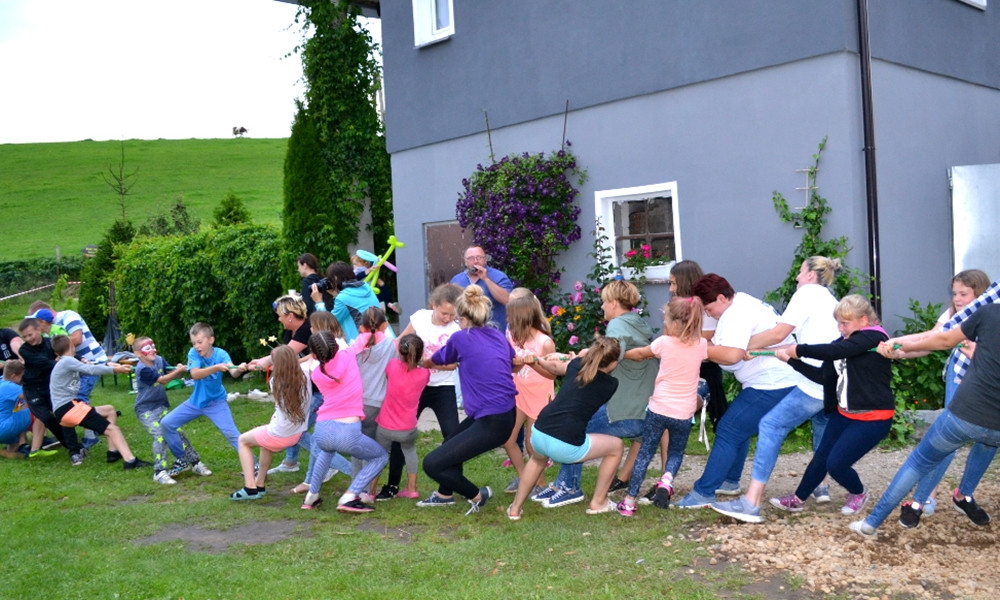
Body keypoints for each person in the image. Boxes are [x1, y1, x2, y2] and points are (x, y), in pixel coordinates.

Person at [850, 299, 1000, 537]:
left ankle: (872, 523)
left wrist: (902, 346)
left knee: (919, 462)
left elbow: (943, 339)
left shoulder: (990, 312)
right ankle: (955, 498)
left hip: (965, 415)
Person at [709, 256, 841, 522]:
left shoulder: (806, 294)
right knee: (822, 430)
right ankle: (820, 485)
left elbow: (778, 333)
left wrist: (740, 347)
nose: (797, 278)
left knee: (770, 425)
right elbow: (793, 340)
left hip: (814, 381)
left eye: (801, 273)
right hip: (833, 380)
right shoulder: (829, 298)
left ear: (811, 275)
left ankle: (751, 502)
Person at [674, 274, 804, 509]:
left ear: (722, 297)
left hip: (773, 381)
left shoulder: (736, 313)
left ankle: (704, 492)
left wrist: (698, 348)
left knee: (729, 429)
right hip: (775, 378)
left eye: (709, 308)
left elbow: (732, 356)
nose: (709, 314)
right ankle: (729, 480)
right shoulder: (743, 303)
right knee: (738, 428)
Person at [761, 295, 892, 518]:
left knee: (836, 464)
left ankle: (858, 492)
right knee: (821, 457)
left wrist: (799, 349)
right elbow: (824, 377)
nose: (840, 328)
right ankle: (798, 499)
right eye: (838, 322)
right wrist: (792, 361)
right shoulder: (842, 344)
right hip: (845, 414)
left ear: (863, 320)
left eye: (845, 323)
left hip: (874, 417)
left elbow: (835, 352)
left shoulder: (874, 337)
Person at [886, 269, 991, 527]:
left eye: (963, 293)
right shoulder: (954, 315)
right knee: (946, 442)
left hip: (989, 389)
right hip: (959, 383)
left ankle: (964, 494)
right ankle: (920, 501)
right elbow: (930, 340)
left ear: (980, 293)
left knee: (989, 442)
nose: (957, 298)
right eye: (954, 293)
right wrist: (900, 350)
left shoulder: (991, 314)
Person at [540, 280, 657, 508]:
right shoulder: (637, 323)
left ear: (613, 303)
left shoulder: (617, 325)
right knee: (574, 427)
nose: (602, 307)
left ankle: (569, 487)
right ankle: (561, 484)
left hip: (624, 412)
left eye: (604, 302)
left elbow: (609, 357)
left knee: (573, 427)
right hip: (643, 411)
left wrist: (576, 358)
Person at [416, 285, 517, 515]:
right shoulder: (498, 335)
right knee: (450, 441)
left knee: (432, 464)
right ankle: (444, 494)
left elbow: (440, 358)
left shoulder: (461, 338)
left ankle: (477, 495)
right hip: (502, 413)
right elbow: (509, 360)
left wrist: (425, 362)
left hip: (493, 421)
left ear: (463, 318)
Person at [506, 337, 625, 519]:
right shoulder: (611, 385)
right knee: (616, 447)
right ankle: (598, 502)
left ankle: (515, 509)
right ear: (614, 363)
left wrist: (542, 360)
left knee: (537, 461)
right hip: (565, 444)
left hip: (539, 431)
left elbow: (556, 368)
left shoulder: (576, 364)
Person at [617, 296, 708, 515]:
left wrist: (621, 354)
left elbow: (640, 354)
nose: (664, 323)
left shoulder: (663, 343)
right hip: (684, 412)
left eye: (666, 319)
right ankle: (666, 481)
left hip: (659, 408)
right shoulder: (702, 344)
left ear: (674, 322)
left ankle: (629, 501)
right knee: (675, 452)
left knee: (645, 453)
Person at [376, 283, 463, 500]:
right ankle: (392, 485)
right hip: (415, 387)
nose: (447, 318)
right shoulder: (420, 318)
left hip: (443, 387)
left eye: (452, 315)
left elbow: (454, 364)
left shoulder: (457, 329)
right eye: (444, 313)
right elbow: (399, 343)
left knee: (453, 435)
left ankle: (447, 487)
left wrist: (425, 364)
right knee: (399, 433)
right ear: (433, 305)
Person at [303, 331, 388, 513]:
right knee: (380, 457)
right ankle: (350, 495)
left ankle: (311, 496)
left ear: (315, 354)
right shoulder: (348, 355)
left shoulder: (316, 373)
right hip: (348, 430)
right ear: (335, 346)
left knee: (326, 451)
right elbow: (367, 337)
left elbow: (321, 364)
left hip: (323, 429)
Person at [48, 335, 151, 469]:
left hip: (65, 410)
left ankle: (112, 452)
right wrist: (115, 370)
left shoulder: (66, 362)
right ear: (71, 345)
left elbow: (90, 366)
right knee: (112, 429)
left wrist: (109, 364)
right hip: (69, 408)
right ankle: (130, 461)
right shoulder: (67, 361)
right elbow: (91, 370)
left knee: (109, 410)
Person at [160, 323, 249, 477]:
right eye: (194, 343)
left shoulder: (221, 354)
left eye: (200, 342)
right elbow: (195, 374)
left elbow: (233, 372)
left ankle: (253, 466)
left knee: (232, 433)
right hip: (196, 402)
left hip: (216, 402)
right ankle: (182, 459)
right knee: (167, 423)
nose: (196, 346)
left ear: (211, 340)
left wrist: (239, 369)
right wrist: (215, 368)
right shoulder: (193, 354)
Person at [278, 311, 353, 486]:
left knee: (302, 434)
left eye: (313, 326)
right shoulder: (329, 343)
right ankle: (310, 481)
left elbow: (322, 370)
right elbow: (311, 359)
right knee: (315, 441)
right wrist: (289, 364)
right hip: (330, 400)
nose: (309, 329)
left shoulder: (335, 347)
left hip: (331, 402)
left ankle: (354, 473)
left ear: (321, 328)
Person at [231, 345, 311, 501]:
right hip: (296, 432)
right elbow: (310, 358)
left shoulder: (276, 381)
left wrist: (262, 364)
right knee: (264, 445)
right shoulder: (306, 374)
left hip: (280, 433)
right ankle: (259, 483)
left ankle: (250, 487)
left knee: (243, 441)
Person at [28, 302, 107, 449]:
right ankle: (101, 422)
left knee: (80, 399)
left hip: (91, 362)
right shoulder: (50, 330)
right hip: (73, 367)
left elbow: (77, 338)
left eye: (37, 321)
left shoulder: (69, 317)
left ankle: (91, 436)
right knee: (72, 401)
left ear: (44, 316)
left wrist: (57, 348)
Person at [502, 290, 556, 495]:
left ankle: (540, 484)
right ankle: (526, 477)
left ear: (521, 318)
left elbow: (552, 375)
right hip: (518, 394)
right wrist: (515, 365)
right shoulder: (512, 335)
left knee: (532, 444)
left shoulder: (545, 343)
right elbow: (513, 368)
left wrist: (533, 363)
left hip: (540, 397)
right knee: (507, 439)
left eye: (510, 316)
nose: (507, 320)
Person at [132, 336, 199, 485]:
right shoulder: (142, 369)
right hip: (146, 409)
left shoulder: (159, 360)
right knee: (159, 435)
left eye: (153, 346)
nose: (152, 349)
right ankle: (159, 471)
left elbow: (172, 373)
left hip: (161, 405)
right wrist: (178, 371)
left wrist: (179, 368)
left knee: (177, 431)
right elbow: (163, 380)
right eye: (147, 348)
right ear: (138, 353)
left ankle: (194, 462)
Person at [17, 317, 85, 463]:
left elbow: (64, 352)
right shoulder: (24, 350)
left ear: (39, 330)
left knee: (63, 415)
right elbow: (43, 363)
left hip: (50, 387)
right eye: (25, 336)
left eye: (31, 334)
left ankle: (74, 448)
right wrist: (60, 363)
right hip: (32, 389)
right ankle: (71, 445)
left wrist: (80, 358)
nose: (29, 339)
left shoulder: (50, 343)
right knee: (47, 418)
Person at [372, 334, 430, 500]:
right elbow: (422, 366)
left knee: (379, 456)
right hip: (408, 427)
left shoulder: (392, 366)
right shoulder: (424, 374)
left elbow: (389, 375)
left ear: (400, 351)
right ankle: (412, 488)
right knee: (410, 451)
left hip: (385, 425)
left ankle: (371, 490)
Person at [312, 261, 393, 344]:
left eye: (330, 279)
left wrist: (319, 303)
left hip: (366, 346)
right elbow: (351, 303)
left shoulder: (343, 297)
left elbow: (328, 324)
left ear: (335, 278)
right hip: (387, 338)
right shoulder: (366, 286)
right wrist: (336, 294)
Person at [450, 245, 513, 329]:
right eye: (471, 258)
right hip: (467, 334)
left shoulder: (499, 276)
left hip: (494, 333)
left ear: (485, 260)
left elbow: (506, 300)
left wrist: (486, 279)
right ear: (465, 261)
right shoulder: (457, 280)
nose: (476, 261)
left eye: (479, 257)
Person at [0, 361, 52, 458]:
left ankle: (11, 451)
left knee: (15, 444)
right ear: (13, 376)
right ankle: (35, 450)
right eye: (22, 376)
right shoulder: (10, 386)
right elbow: (32, 396)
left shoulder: (1, 382)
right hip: (3, 428)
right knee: (39, 413)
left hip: (3, 425)